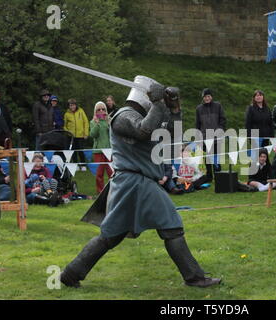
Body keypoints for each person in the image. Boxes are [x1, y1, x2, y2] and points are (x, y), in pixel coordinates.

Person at [60, 75, 221, 289]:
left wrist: (174, 110)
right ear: (146, 96)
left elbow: (173, 135)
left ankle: (71, 273)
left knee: (111, 236)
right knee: (171, 226)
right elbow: (144, 131)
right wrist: (157, 104)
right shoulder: (123, 117)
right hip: (133, 182)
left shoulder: (145, 115)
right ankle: (194, 278)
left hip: (136, 183)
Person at [195, 88, 226, 181]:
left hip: (217, 136)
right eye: (205, 97)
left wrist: (220, 130)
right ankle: (209, 176)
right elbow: (197, 124)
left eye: (208, 96)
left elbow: (223, 119)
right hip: (205, 137)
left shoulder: (218, 106)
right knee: (208, 157)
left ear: (211, 97)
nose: (207, 98)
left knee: (216, 156)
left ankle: (218, 174)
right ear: (203, 98)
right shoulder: (199, 109)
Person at [89, 101, 113, 194]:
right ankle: (100, 193)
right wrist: (97, 123)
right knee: (99, 174)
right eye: (98, 110)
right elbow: (92, 135)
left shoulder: (109, 120)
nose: (101, 111)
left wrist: (109, 123)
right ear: (95, 111)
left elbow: (114, 134)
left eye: (103, 109)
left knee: (112, 173)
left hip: (110, 151)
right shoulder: (93, 122)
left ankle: (113, 192)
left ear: (106, 110)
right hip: (98, 151)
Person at [64, 98, 89, 166]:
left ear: (76, 105)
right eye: (70, 105)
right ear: (68, 106)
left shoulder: (81, 111)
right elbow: (64, 126)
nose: (72, 106)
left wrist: (86, 133)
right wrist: (68, 132)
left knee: (81, 151)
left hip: (80, 135)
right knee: (73, 152)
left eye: (73, 105)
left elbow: (86, 122)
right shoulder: (67, 114)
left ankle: (83, 165)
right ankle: (76, 165)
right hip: (71, 137)